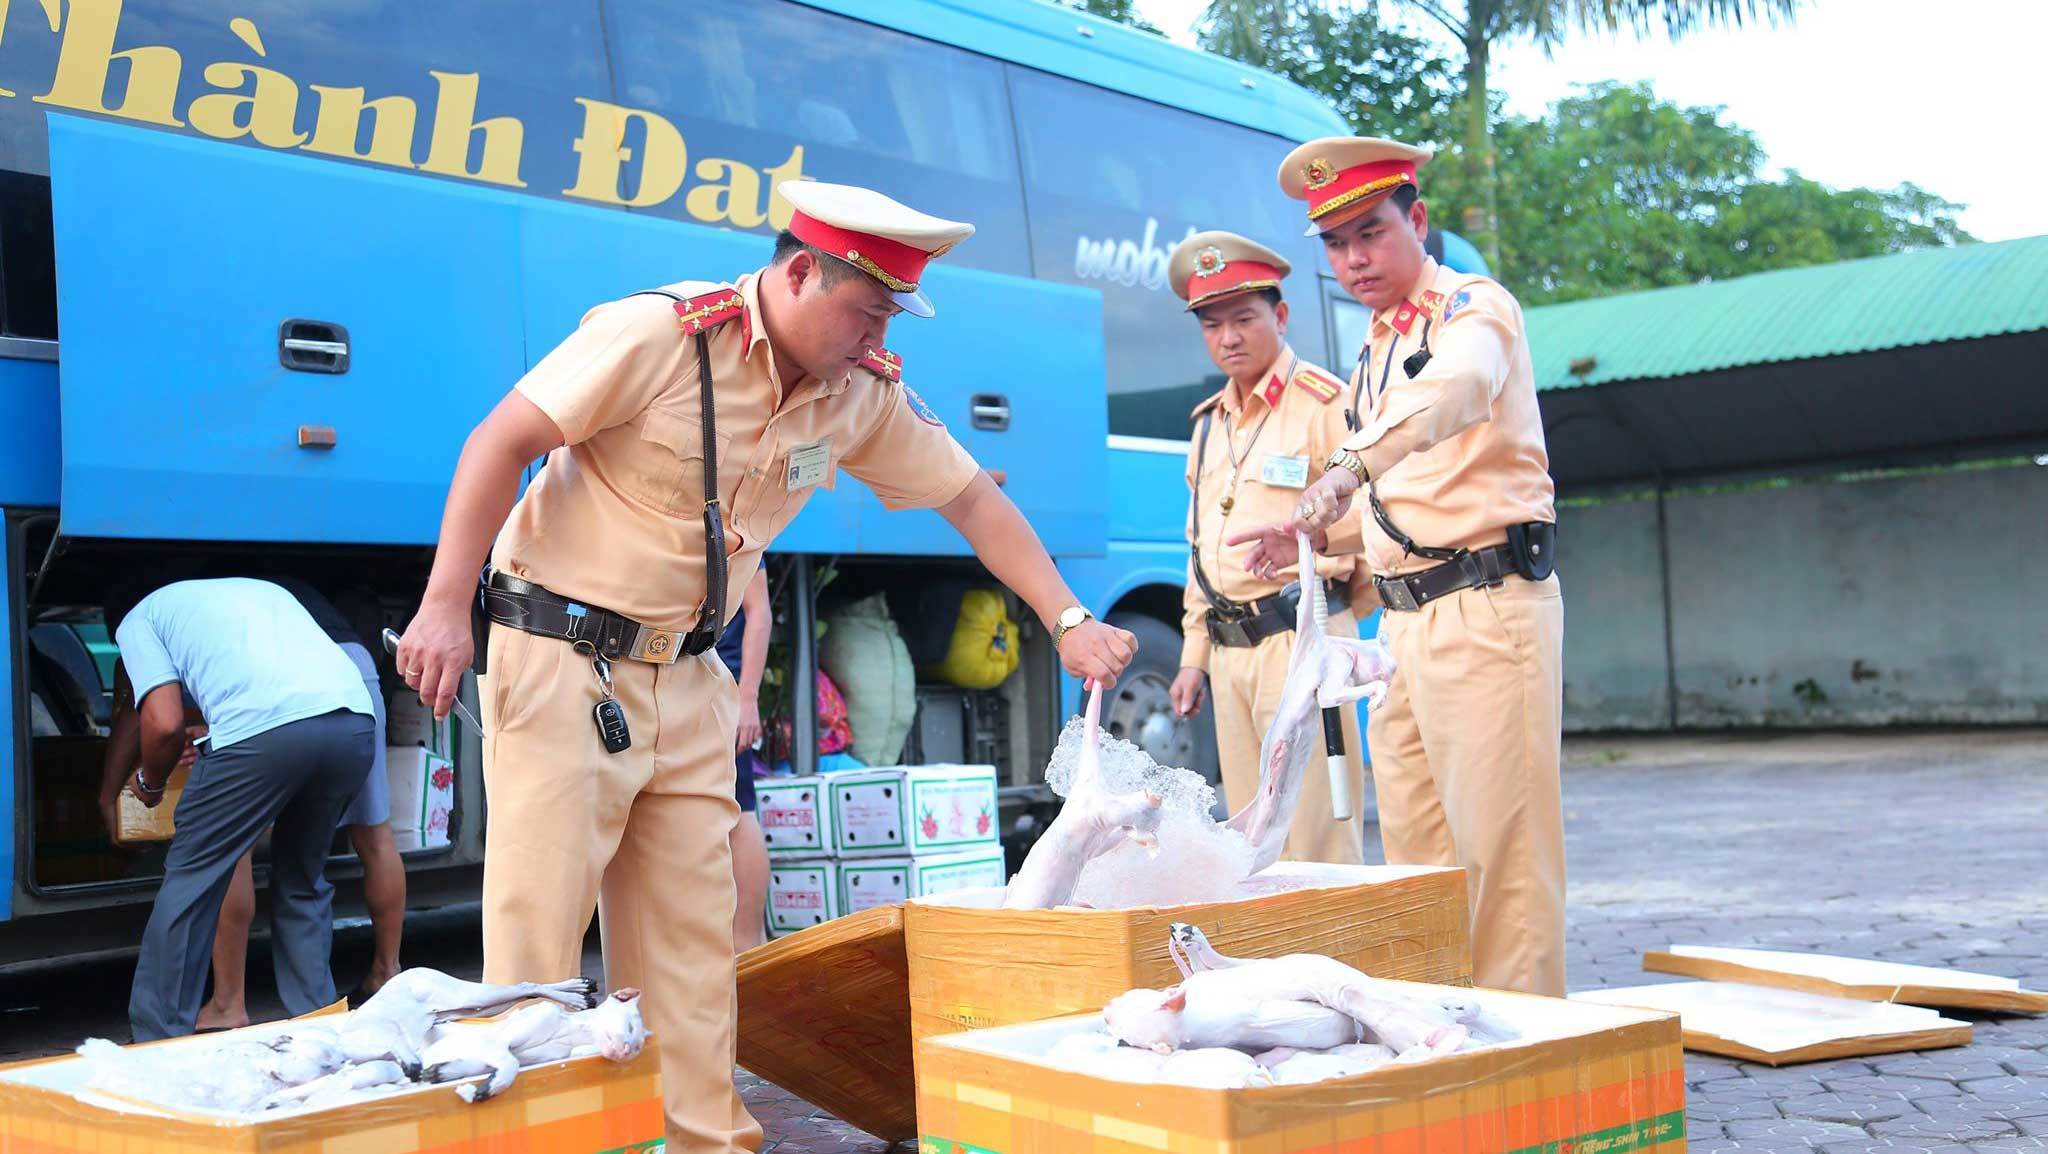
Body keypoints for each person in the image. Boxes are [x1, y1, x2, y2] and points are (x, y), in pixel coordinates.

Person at [393, 180, 1136, 1150]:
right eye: (866, 311)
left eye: (888, 319)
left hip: (689, 681)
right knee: (532, 954)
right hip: (565, 659)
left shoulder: (856, 395)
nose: (877, 339)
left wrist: (1066, 614)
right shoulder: (659, 336)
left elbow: (971, 500)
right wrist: (445, 605)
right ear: (798, 273)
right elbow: (502, 440)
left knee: (694, 956)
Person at [1230, 137, 1565, 996]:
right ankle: (1453, 1047)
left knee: (1502, 860)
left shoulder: (1471, 309)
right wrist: (1312, 540)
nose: (1354, 259)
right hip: (1404, 626)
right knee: (1422, 861)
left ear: (1416, 220)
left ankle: (1521, 1079)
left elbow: (1452, 393)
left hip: (1488, 605)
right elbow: (1402, 503)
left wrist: (1346, 466)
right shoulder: (1378, 343)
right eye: (1336, 245)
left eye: (1371, 233)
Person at [1163, 229, 1366, 864]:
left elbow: (1368, 508)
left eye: (1244, 319)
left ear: (1279, 316)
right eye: (1212, 325)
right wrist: (1193, 654)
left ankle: (1335, 962)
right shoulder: (1206, 424)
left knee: (1315, 833)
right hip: (1229, 651)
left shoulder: (1323, 404)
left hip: (1298, 634)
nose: (1228, 337)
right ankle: (1271, 965)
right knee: (1251, 841)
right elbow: (1201, 547)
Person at [102, 577, 376, 1039]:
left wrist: (149, 780)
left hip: (266, 734)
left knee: (193, 879)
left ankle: (157, 1037)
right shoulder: (255, 593)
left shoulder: (138, 620)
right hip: (352, 725)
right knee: (302, 879)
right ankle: (321, 1030)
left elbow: (164, 722)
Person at [192, 577, 408, 1031]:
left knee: (235, 847)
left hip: (287, 685)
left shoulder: (201, 604)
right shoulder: (295, 590)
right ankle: (386, 972)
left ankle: (229, 1002)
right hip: (357, 675)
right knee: (373, 837)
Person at [716, 568, 772, 952]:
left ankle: (747, 944)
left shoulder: (731, 515)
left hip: (723, 685)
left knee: (739, 810)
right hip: (687, 679)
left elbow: (759, 609)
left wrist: (747, 696)